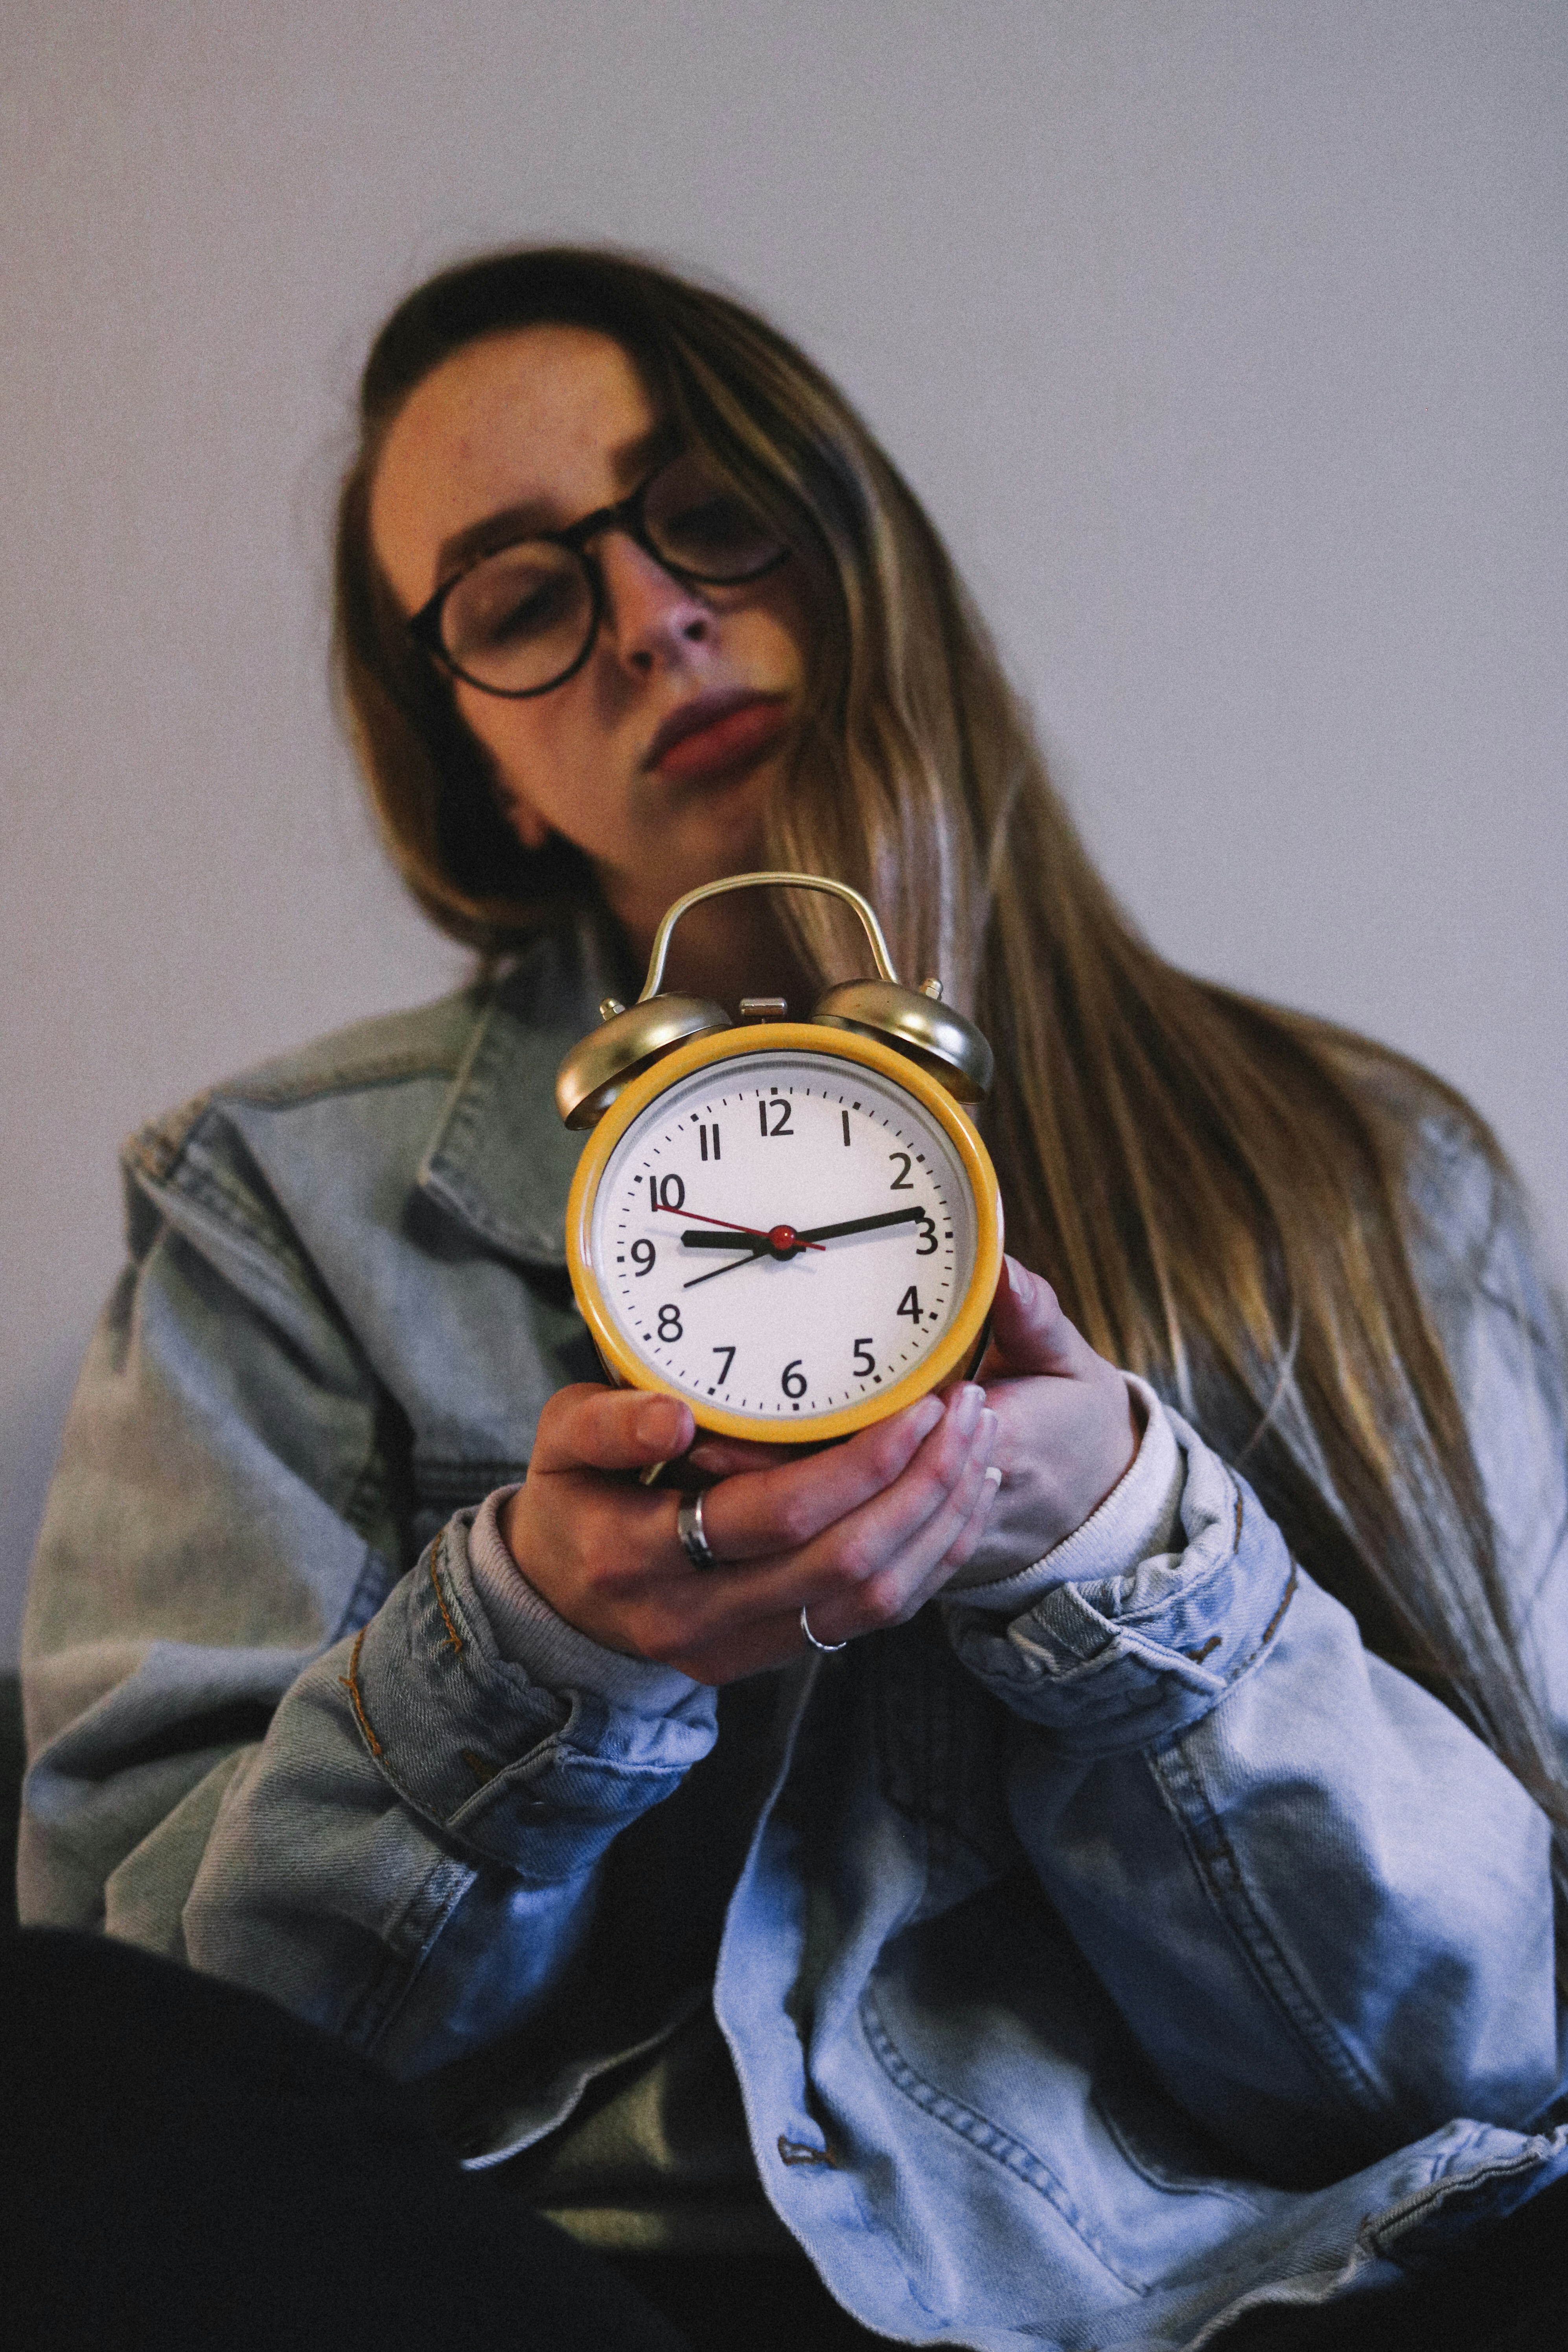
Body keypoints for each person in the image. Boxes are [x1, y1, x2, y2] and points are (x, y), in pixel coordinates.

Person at [16, 246, 1568, 2352]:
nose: (651, 615)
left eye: (711, 513)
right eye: (521, 601)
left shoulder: (1364, 1181)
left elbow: (1492, 2049)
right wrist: (521, 1661)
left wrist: (1129, 1554)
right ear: (485, 769)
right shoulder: (284, 1201)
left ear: (861, 547)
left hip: (1245, 2291)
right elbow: (132, 2055)